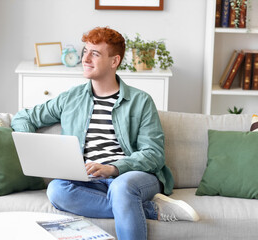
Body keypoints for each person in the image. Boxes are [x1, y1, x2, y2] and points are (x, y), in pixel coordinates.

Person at [11, 26, 199, 239]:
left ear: (114, 61)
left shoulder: (141, 101)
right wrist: (33, 144)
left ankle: (126, 200)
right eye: (85, 51)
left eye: (95, 53)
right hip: (87, 180)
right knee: (56, 190)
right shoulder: (70, 98)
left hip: (130, 177)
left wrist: (113, 168)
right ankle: (151, 210)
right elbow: (23, 118)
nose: (85, 58)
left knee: (121, 188)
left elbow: (154, 154)